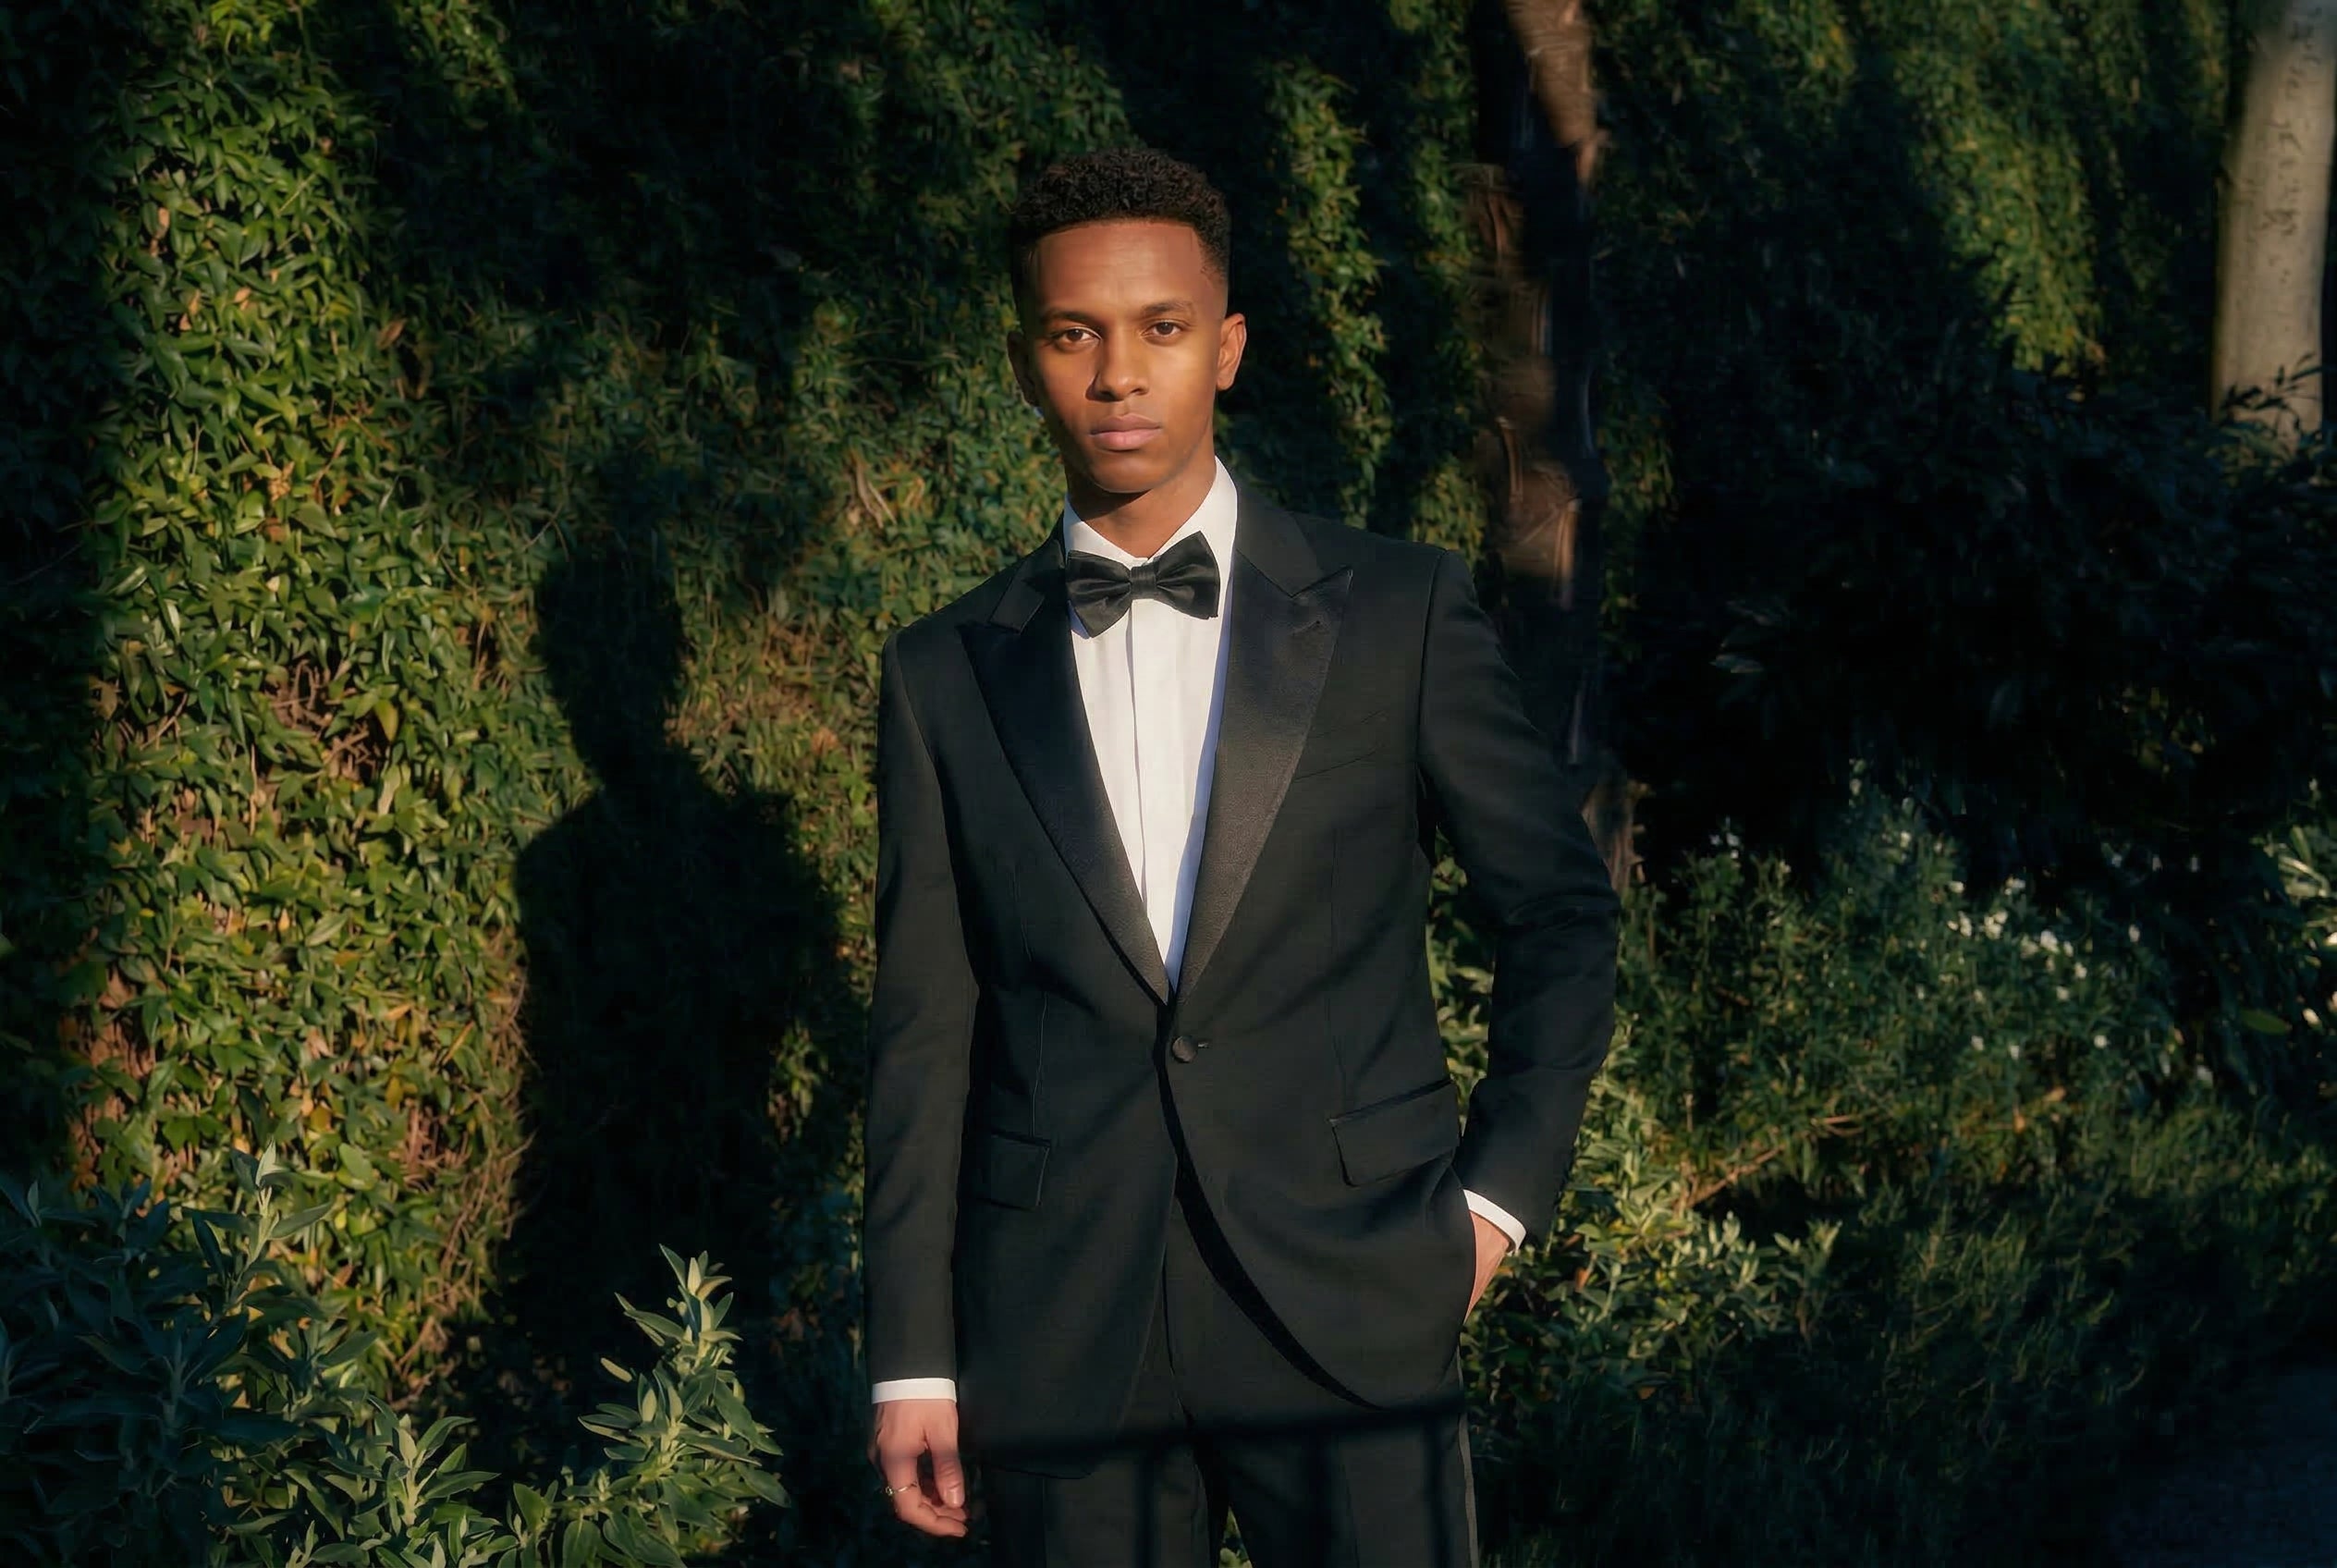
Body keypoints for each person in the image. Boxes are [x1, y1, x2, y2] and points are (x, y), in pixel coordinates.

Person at [863, 146, 1619, 1568]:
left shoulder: (1400, 611)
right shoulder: (939, 675)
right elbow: (924, 1033)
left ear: (1229, 348)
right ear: (1026, 361)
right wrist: (913, 1356)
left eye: (1160, 329)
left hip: (1356, 1302)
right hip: (1059, 1330)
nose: (1118, 375)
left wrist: (1491, 1210)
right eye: (1074, 332)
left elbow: (1562, 920)